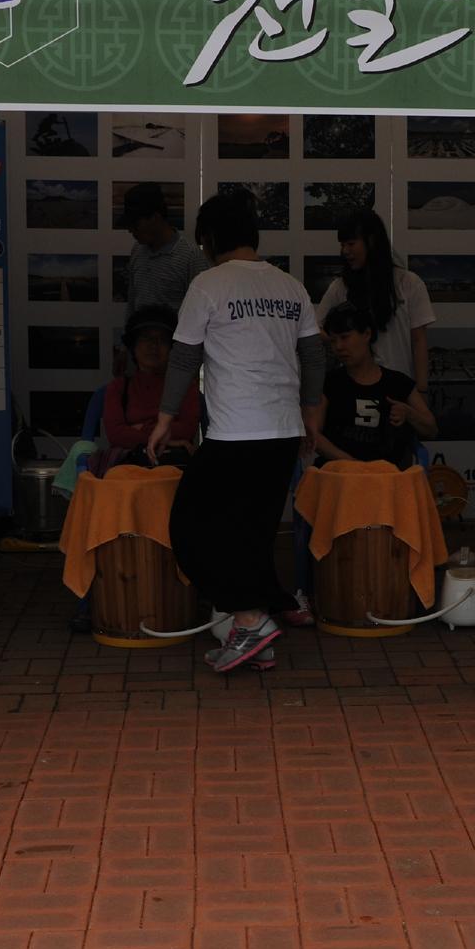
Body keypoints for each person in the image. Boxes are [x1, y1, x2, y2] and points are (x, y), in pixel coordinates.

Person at [152, 191, 325, 673]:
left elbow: (185, 356)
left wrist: (166, 418)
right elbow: (313, 355)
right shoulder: (289, 286)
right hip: (283, 432)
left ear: (207, 238)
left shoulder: (209, 284)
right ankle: (255, 640)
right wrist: (310, 412)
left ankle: (251, 618)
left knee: (190, 528)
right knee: (251, 535)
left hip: (235, 434)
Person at [316, 208, 434, 387]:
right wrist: (341, 339)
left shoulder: (408, 282)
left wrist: (422, 390)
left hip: (399, 388)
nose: (345, 251)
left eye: (351, 243)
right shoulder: (340, 287)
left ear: (371, 241)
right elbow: (314, 328)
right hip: (354, 389)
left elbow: (419, 341)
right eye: (342, 245)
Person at [316, 304, 435, 469]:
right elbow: (313, 434)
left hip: (386, 477)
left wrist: (409, 413)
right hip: (340, 475)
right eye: (333, 340)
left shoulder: (398, 382)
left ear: (367, 334)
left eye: (345, 337)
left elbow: (431, 428)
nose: (338, 347)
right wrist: (353, 465)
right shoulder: (329, 382)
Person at [93, 305, 200, 475]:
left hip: (173, 469)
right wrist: (166, 436)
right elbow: (116, 434)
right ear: (133, 346)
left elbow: (187, 429)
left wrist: (141, 429)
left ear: (172, 348)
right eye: (145, 338)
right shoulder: (118, 387)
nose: (154, 346)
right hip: (127, 469)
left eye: (162, 339)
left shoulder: (186, 387)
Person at [122, 182, 211, 319]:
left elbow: (201, 313)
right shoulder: (137, 250)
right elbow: (132, 303)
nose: (130, 230)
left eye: (135, 224)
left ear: (155, 218)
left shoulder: (190, 257)